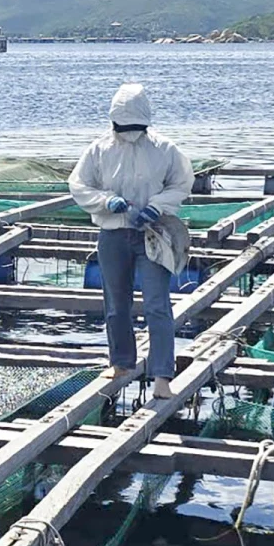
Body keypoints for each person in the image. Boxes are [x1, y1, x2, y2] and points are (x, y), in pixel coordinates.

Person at [68, 83, 195, 401]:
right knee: (116, 303)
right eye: (124, 128)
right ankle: (120, 361)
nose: (129, 133)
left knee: (156, 304)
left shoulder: (164, 149)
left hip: (152, 235)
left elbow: (182, 182)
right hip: (113, 234)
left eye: (135, 128)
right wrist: (106, 200)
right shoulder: (99, 149)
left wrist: (158, 205)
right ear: (113, 123)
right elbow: (78, 184)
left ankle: (163, 374)